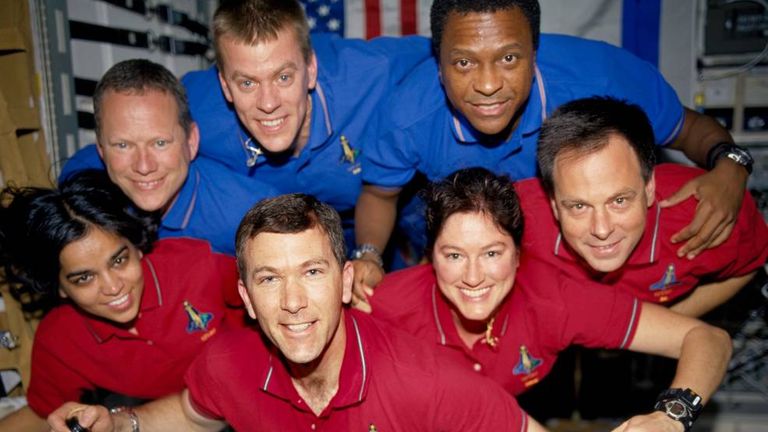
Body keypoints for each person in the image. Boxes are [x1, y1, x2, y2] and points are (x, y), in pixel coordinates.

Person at [353, 0, 753, 301]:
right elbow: (378, 194)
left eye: (509, 58)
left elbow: (692, 129)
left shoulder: (604, 77)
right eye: (463, 63)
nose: (488, 84)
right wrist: (369, 254)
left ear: (535, 52)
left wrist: (731, 165)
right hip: (476, 248)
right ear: (439, 66)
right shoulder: (407, 114)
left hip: (578, 248)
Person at [47, 194, 547, 432]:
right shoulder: (227, 362)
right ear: (244, 297)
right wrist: (117, 424)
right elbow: (190, 414)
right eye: (269, 279)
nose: (292, 302)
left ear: (347, 282)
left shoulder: (425, 379)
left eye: (312, 272)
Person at [366, 167, 732, 432]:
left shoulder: (553, 298)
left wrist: (670, 417)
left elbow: (707, 339)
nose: (474, 277)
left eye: (492, 253)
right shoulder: (382, 308)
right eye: (455, 255)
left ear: (518, 253)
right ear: (431, 256)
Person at [0, 171, 244, 432]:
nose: (114, 287)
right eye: (84, 278)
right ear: (59, 287)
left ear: (136, 245)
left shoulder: (195, 265)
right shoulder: (60, 339)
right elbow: (43, 414)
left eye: (119, 260)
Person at [181, 0, 431, 250]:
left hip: (393, 207)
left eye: (284, 77)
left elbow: (452, 51)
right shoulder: (193, 109)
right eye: (248, 83)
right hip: (287, 236)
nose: (268, 104)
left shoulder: (373, 70)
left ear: (311, 70)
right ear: (225, 86)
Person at [520, 96, 767, 317]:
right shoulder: (512, 218)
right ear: (553, 204)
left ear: (649, 189)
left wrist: (658, 328)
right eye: (578, 206)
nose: (602, 230)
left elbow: (750, 262)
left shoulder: (705, 213)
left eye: (619, 201)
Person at [59, 59, 279, 255]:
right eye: (123, 145)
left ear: (191, 142)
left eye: (160, 143)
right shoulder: (79, 182)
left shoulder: (251, 217)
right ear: (101, 150)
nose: (144, 166)